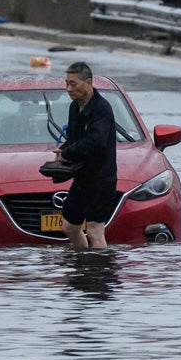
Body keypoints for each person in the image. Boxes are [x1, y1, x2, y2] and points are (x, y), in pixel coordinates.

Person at [54, 60, 117, 250]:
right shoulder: (74, 107)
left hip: (101, 180)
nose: (68, 88)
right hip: (82, 178)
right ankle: (82, 266)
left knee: (94, 231)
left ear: (89, 82)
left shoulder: (102, 109)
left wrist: (68, 152)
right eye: (66, 83)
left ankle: (99, 274)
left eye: (73, 84)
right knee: (70, 227)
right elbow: (75, 138)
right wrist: (62, 150)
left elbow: (95, 142)